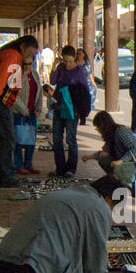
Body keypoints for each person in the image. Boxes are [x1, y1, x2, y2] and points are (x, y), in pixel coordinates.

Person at [0, 35, 38, 188]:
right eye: (29, 53)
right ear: (23, 46)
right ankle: (6, 176)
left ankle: (5, 174)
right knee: (8, 138)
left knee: (6, 138)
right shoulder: (13, 55)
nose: (29, 57)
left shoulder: (10, 53)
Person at [44, 45, 91, 177]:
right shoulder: (61, 68)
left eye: (70, 61)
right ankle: (60, 167)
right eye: (65, 61)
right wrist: (55, 65)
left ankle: (71, 168)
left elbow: (85, 92)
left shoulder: (79, 71)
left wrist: (82, 112)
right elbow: (52, 80)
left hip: (72, 110)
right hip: (59, 107)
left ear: (74, 58)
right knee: (57, 138)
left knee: (71, 139)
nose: (68, 64)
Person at [83, 110, 136, 198]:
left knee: (117, 167)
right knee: (104, 160)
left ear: (103, 125)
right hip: (128, 162)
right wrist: (90, 157)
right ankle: (119, 181)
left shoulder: (121, 132)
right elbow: (104, 152)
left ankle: (129, 185)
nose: (98, 130)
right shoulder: (111, 135)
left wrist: (121, 161)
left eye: (98, 127)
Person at [12, 56, 42, 175]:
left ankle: (28, 164)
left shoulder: (34, 74)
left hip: (32, 112)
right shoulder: (17, 75)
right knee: (19, 140)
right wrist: (23, 109)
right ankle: (19, 166)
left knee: (31, 140)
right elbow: (14, 95)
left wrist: (39, 107)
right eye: (24, 64)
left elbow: (38, 92)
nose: (27, 66)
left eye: (29, 64)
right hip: (19, 112)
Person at [76, 47, 98, 121]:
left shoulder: (86, 63)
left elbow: (90, 73)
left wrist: (93, 83)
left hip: (87, 84)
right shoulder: (74, 63)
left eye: (80, 54)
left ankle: (84, 115)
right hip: (77, 84)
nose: (78, 55)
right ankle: (80, 114)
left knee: (87, 99)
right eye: (77, 54)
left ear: (84, 55)